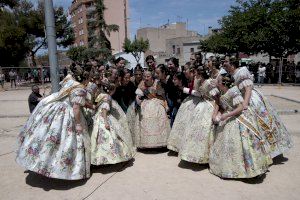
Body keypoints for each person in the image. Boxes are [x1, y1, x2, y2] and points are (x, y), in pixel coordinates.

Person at [16, 67, 92, 180]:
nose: (89, 82)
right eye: (88, 79)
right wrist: (78, 124)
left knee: (47, 137)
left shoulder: (69, 80)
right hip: (66, 112)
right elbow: (76, 107)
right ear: (85, 79)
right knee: (66, 141)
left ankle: (41, 163)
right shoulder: (80, 89)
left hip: (54, 108)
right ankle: (62, 170)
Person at [223, 58, 293, 158]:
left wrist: (245, 104)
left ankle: (269, 150)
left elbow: (248, 89)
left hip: (251, 99)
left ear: (232, 65)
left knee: (260, 122)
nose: (224, 64)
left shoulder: (241, 73)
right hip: (245, 97)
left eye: (226, 62)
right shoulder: (235, 74)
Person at [209, 74, 272, 178]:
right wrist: (217, 114)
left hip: (238, 118)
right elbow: (222, 105)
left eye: (218, 81)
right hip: (229, 117)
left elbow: (241, 107)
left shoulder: (233, 90)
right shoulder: (221, 92)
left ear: (223, 83)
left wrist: (226, 115)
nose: (216, 82)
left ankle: (250, 169)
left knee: (244, 144)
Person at [179, 68, 219, 164]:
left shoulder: (209, 82)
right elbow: (199, 93)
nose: (195, 76)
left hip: (209, 105)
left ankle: (206, 155)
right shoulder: (200, 82)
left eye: (196, 74)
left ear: (200, 74)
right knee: (194, 128)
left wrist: (215, 109)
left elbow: (216, 97)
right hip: (201, 105)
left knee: (205, 128)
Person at [90, 83, 135, 165]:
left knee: (98, 138)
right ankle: (111, 157)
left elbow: (97, 107)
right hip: (104, 118)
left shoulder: (101, 95)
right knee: (110, 137)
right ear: (112, 90)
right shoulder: (107, 97)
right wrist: (106, 122)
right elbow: (104, 109)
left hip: (97, 117)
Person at [132, 70, 171, 148]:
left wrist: (165, 105)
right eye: (145, 76)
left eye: (148, 76)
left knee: (157, 115)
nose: (146, 78)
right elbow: (138, 95)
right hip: (146, 102)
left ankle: (160, 141)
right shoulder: (142, 83)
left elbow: (162, 96)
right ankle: (145, 142)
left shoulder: (157, 83)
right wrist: (138, 99)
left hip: (157, 101)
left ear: (151, 77)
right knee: (144, 116)